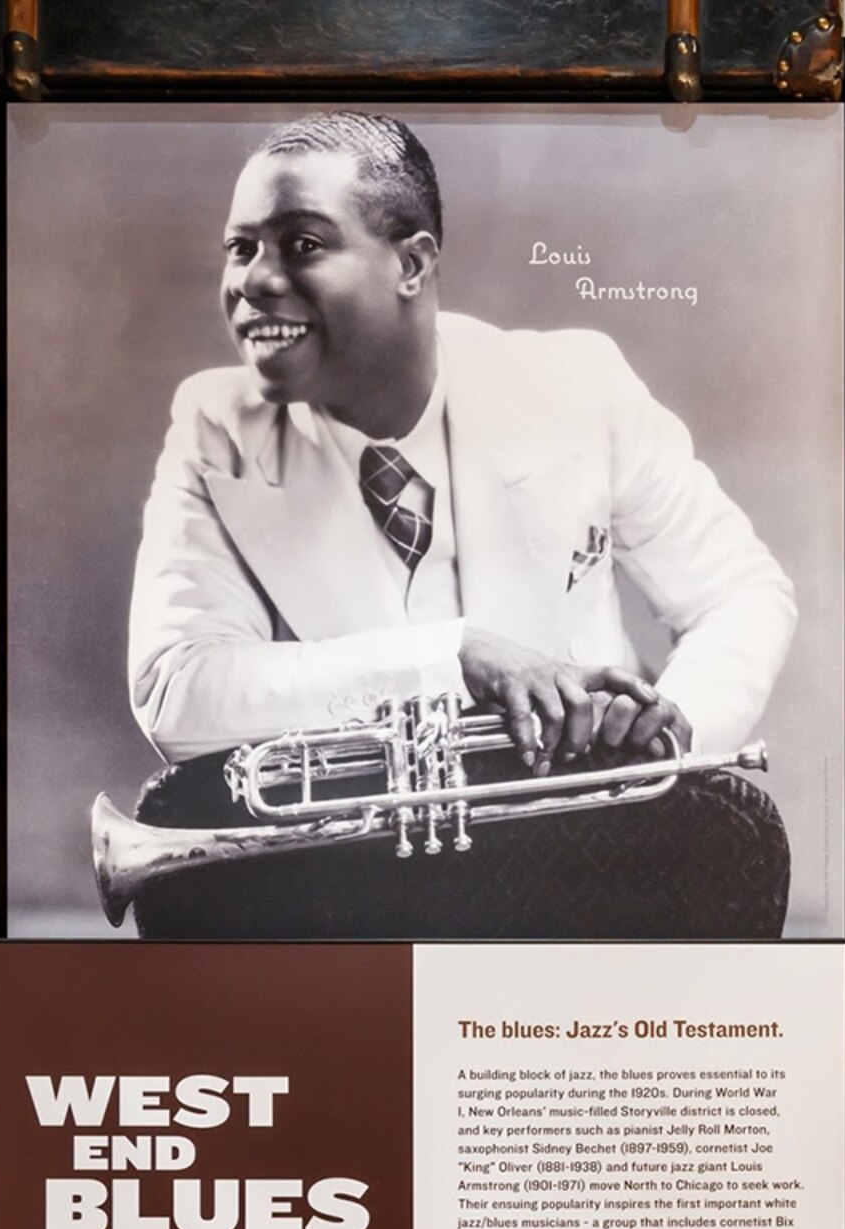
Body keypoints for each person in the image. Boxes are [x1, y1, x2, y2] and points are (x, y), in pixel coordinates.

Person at [117, 111, 797, 938]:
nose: (254, 280)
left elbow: (742, 592)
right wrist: (450, 658)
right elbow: (176, 692)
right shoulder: (214, 426)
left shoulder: (577, 385)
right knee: (185, 829)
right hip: (355, 872)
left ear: (412, 263)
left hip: (582, 842)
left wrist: (672, 724)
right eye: (240, 247)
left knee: (730, 837)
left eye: (300, 245)